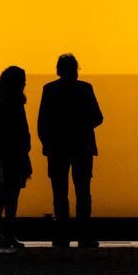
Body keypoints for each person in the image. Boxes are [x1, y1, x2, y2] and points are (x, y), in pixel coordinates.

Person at [36, 53, 104, 248]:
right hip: (82, 146)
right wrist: (81, 125)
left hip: (57, 148)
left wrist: (48, 143)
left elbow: (43, 121)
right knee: (83, 192)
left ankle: (62, 236)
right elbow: (98, 117)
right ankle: (84, 235)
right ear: (76, 69)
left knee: (59, 193)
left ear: (58, 69)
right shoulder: (85, 89)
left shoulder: (49, 90)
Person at [0, 66, 33, 248]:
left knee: (2, 195)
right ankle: (6, 233)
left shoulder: (0, 101)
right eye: (23, 79)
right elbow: (20, 129)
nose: (25, 82)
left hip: (1, 153)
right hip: (13, 154)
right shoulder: (13, 103)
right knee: (11, 196)